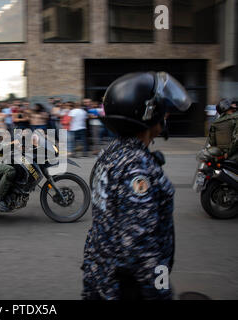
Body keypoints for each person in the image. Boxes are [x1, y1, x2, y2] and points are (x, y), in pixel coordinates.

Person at [82, 71, 192, 300]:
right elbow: (140, 246)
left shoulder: (111, 153)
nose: (166, 114)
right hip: (127, 288)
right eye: (163, 109)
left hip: (102, 275)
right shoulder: (136, 167)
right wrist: (163, 291)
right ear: (149, 113)